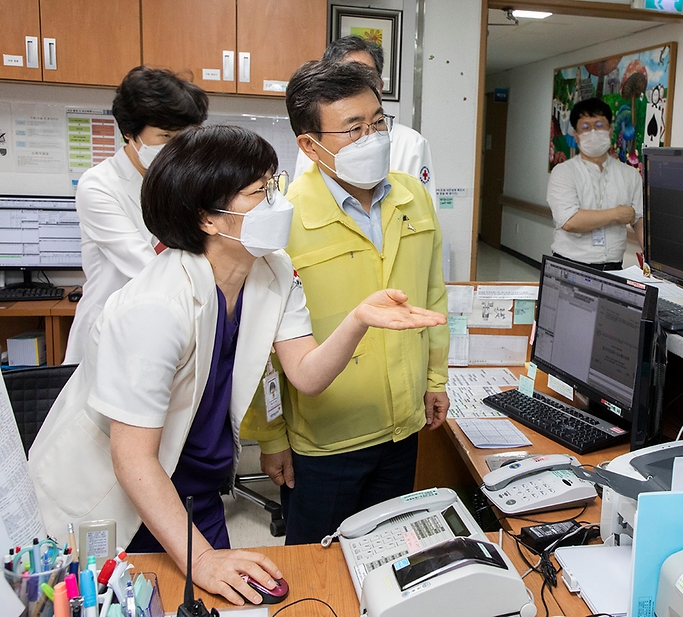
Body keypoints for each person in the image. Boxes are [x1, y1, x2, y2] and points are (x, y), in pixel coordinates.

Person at [28, 125, 445, 605]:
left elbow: (306, 374)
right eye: (260, 192)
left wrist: (359, 319)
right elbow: (133, 459)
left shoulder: (272, 269)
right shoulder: (157, 307)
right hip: (119, 501)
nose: (278, 201)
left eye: (274, 183)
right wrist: (202, 559)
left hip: (196, 490)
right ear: (209, 218)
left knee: (224, 599)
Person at [242, 61, 449, 544]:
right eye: (353, 129)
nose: (372, 137)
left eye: (378, 123)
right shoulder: (283, 221)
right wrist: (271, 437)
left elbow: (433, 292)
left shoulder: (413, 196)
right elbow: (260, 347)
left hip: (402, 425)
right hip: (326, 440)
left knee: (392, 558)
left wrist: (436, 378)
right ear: (310, 145)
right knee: (319, 571)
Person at [64, 66, 209, 364]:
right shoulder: (99, 185)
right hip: (111, 330)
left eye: (183, 135)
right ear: (130, 133)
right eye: (165, 135)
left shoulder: (182, 182)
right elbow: (145, 265)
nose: (176, 147)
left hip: (168, 326)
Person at [292, 35, 438, 209]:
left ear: (380, 86)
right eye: (347, 77)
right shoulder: (317, 144)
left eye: (367, 76)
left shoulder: (411, 144)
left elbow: (426, 214)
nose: (358, 85)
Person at [546, 97, 643, 271]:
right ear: (576, 136)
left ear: (610, 131)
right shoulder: (563, 172)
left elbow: (639, 220)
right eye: (585, 127)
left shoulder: (630, 174)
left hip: (613, 268)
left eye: (599, 125)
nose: (593, 132)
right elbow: (570, 221)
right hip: (569, 265)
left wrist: (656, 262)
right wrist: (616, 214)